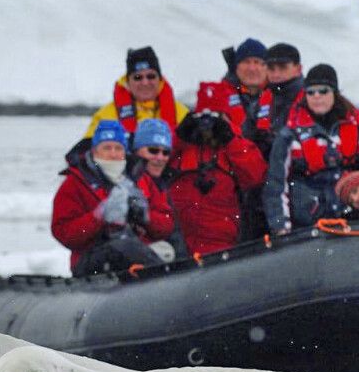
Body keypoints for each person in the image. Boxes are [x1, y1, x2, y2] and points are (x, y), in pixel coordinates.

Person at [52, 120, 174, 276]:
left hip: (136, 253)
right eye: (107, 148)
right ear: (95, 151)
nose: (113, 154)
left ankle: (166, 283)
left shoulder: (141, 179)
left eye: (118, 148)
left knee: (167, 250)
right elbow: (63, 232)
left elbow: (166, 225)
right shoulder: (75, 182)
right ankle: (163, 281)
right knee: (121, 247)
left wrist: (146, 217)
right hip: (91, 260)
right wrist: (99, 217)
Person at [263, 64, 359, 234]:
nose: (317, 96)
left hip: (355, 221)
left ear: (334, 92)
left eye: (323, 91)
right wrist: (281, 227)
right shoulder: (289, 136)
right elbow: (275, 185)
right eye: (311, 92)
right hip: (309, 226)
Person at [195, 37, 271, 241]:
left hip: (267, 177)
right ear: (236, 67)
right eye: (246, 62)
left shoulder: (279, 96)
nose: (252, 68)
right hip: (231, 178)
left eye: (259, 62)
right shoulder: (218, 95)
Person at [167, 111, 267, 256]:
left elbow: (256, 176)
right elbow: (151, 162)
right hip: (179, 245)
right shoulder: (179, 145)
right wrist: (180, 136)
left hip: (223, 246)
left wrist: (230, 138)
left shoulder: (235, 145)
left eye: (214, 115)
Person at [82, 46, 190, 141]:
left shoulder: (182, 114)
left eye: (151, 76)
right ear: (127, 81)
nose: (145, 82)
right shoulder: (105, 116)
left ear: (160, 79)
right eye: (137, 77)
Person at [131, 118, 190, 262]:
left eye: (165, 153)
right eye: (153, 150)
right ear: (137, 150)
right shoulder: (127, 180)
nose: (160, 158)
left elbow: (172, 231)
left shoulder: (162, 184)